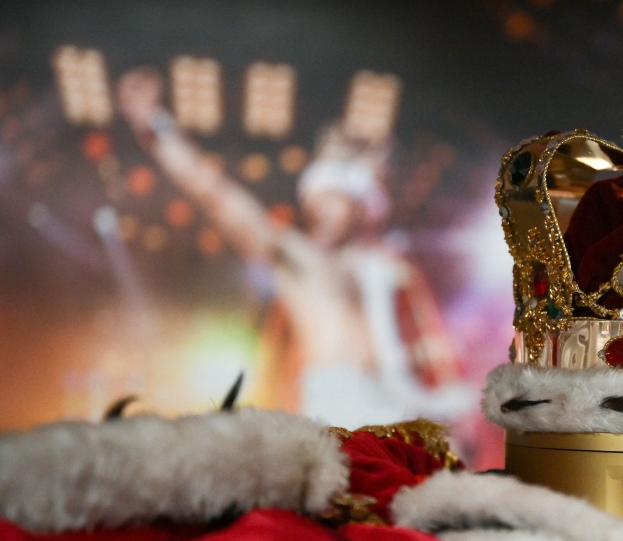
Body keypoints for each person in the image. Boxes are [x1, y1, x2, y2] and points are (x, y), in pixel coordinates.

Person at [116, 67, 473, 428]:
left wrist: (445, 402)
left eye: (340, 196)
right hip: (337, 403)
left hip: (397, 401)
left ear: (362, 207)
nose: (326, 205)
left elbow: (433, 351)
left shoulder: (385, 269)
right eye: (324, 195)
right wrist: (154, 125)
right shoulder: (296, 256)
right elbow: (214, 192)